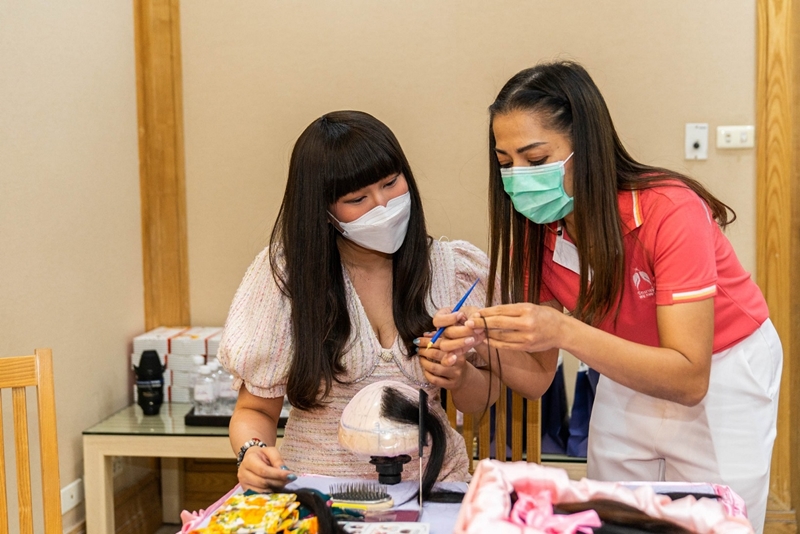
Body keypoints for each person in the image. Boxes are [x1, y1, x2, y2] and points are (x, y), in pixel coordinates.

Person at [431, 61, 782, 533]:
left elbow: (688, 378)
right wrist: (480, 343)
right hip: (625, 369)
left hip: (723, 372)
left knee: (715, 519)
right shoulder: (536, 232)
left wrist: (564, 330)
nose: (517, 178)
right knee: (613, 517)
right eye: (504, 162)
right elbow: (536, 378)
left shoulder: (668, 210)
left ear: (587, 147)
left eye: (535, 160)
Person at [217, 110, 500, 493]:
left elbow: (483, 398)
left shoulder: (453, 270)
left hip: (431, 489)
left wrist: (461, 376)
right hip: (319, 491)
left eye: (391, 183)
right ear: (323, 210)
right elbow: (254, 410)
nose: (382, 205)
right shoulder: (286, 279)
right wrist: (251, 451)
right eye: (357, 198)